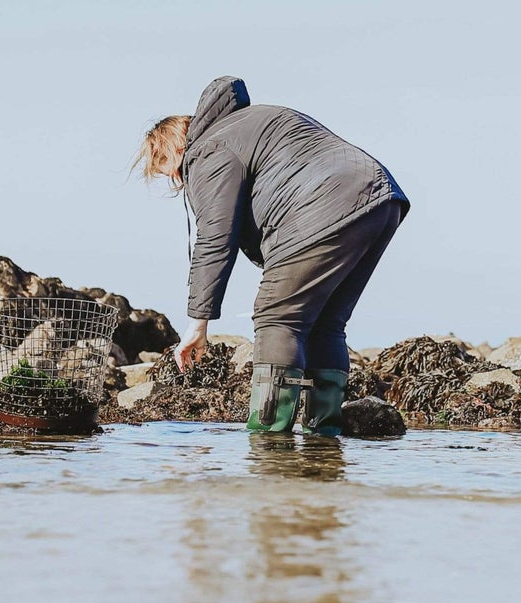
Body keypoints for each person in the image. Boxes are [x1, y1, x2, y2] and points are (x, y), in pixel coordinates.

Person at [133, 76, 407, 435]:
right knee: (325, 323)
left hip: (324, 205)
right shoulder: (252, 123)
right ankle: (324, 440)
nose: (176, 180)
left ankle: (269, 442)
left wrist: (197, 324)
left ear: (176, 147)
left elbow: (215, 237)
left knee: (277, 318)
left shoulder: (208, 149)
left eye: (169, 168)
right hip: (381, 200)